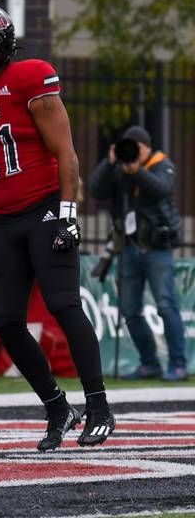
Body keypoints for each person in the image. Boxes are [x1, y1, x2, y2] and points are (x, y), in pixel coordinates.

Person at [0, 2, 115, 450]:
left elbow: (66, 154)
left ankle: (99, 405)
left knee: (63, 305)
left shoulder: (30, 77)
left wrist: (67, 214)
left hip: (42, 210)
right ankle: (58, 407)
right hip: (1, 220)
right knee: (4, 320)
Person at [89, 125, 187, 381]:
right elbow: (96, 191)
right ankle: (149, 363)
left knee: (166, 305)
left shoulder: (161, 163)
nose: (132, 151)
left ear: (146, 147)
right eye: (127, 146)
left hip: (158, 248)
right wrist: (109, 163)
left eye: (136, 147)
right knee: (130, 309)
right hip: (130, 247)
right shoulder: (119, 169)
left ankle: (178, 364)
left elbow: (162, 189)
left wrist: (137, 172)